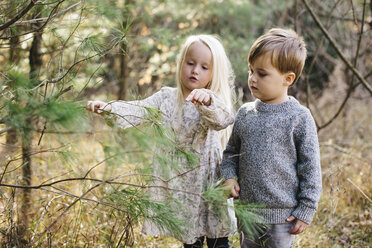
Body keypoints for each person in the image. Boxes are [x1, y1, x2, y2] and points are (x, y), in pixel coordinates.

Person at [87, 34, 236, 247]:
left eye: (204, 67)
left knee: (218, 240)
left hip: (209, 182)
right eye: (191, 63)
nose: (195, 70)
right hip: (181, 181)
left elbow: (223, 119)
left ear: (214, 73)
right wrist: (110, 108)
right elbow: (138, 109)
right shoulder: (167, 97)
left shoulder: (213, 100)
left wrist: (207, 100)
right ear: (181, 63)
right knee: (189, 239)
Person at [221, 28, 322, 248]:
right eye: (251, 71)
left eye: (262, 73)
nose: (252, 79)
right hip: (247, 213)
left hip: (283, 218)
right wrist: (229, 177)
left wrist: (306, 209)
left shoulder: (299, 118)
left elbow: (311, 168)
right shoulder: (245, 114)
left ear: (288, 79)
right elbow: (230, 153)